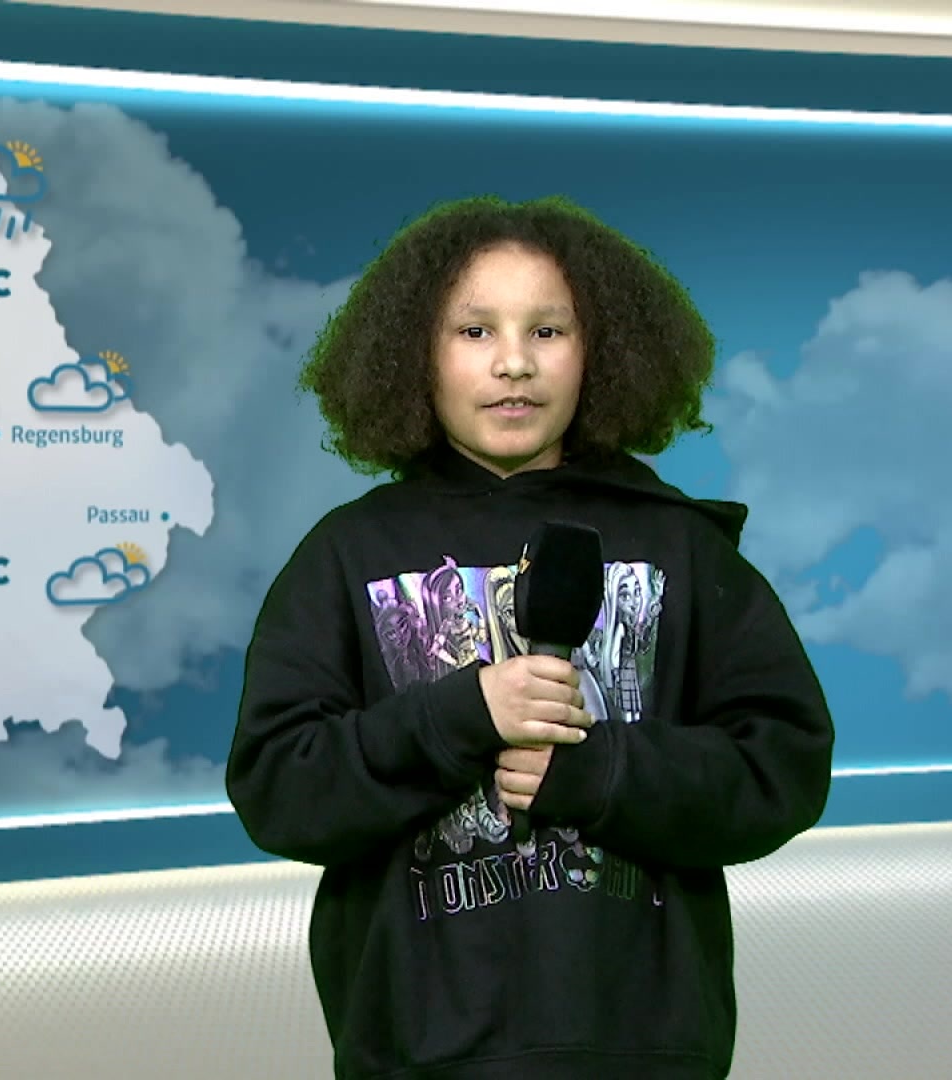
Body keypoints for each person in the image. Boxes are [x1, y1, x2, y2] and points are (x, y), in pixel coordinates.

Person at [226, 194, 835, 1079]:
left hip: (645, 1055)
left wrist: (600, 772)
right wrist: (462, 716)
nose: (514, 362)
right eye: (475, 331)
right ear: (415, 355)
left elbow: (783, 766)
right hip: (417, 1058)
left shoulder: (682, 546)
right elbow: (280, 788)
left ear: (602, 352)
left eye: (548, 331)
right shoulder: (344, 554)